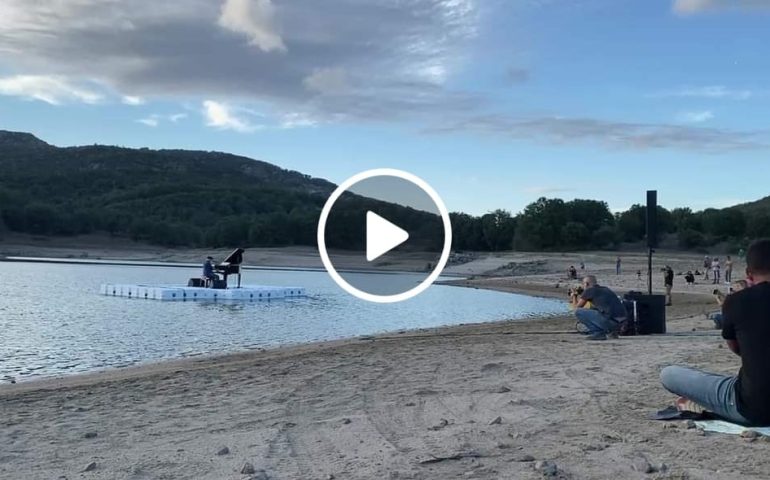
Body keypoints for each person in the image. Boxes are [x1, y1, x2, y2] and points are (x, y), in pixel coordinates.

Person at [660, 238, 770, 426]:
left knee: (668, 374)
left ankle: (702, 400)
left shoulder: (736, 301)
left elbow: (737, 348)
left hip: (754, 409)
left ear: (748, 274)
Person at [573, 275, 627, 341]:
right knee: (595, 309)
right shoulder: (606, 289)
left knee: (578, 312)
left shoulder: (589, 290)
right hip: (621, 324)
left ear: (586, 284)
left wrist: (574, 296)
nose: (583, 286)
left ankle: (598, 333)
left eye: (583, 284)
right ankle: (612, 333)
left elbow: (577, 307)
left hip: (610, 323)